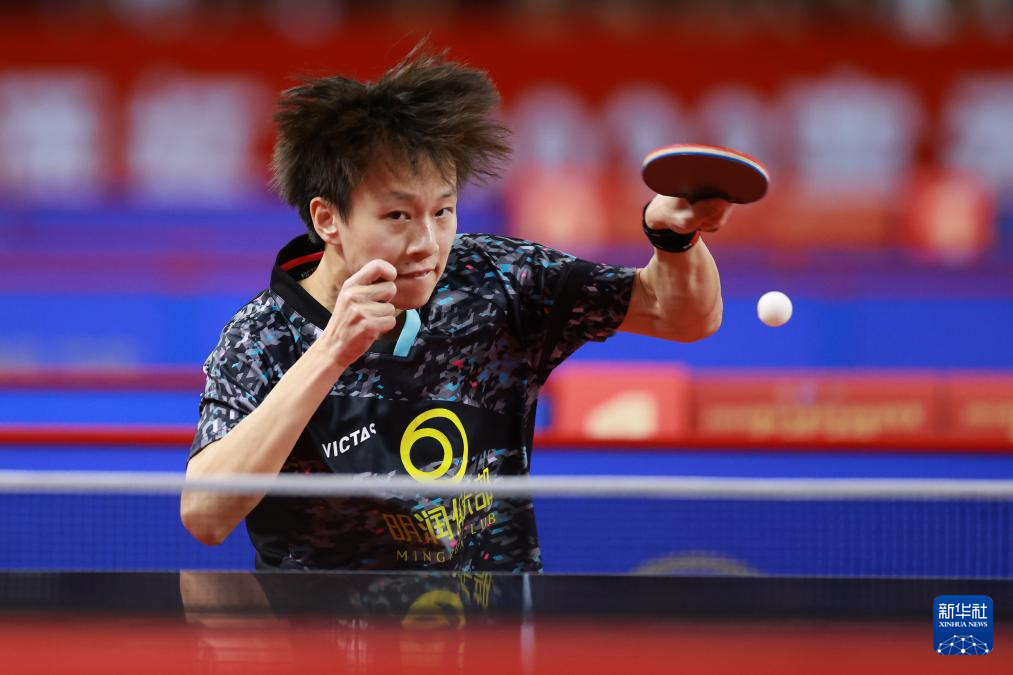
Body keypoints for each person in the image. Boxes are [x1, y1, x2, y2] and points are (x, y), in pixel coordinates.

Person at [180, 43, 732, 571]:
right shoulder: (263, 337)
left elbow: (681, 315)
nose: (427, 243)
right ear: (328, 219)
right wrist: (330, 354)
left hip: (491, 624)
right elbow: (206, 516)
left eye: (443, 212)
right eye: (398, 216)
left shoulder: (496, 279)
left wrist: (673, 239)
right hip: (319, 630)